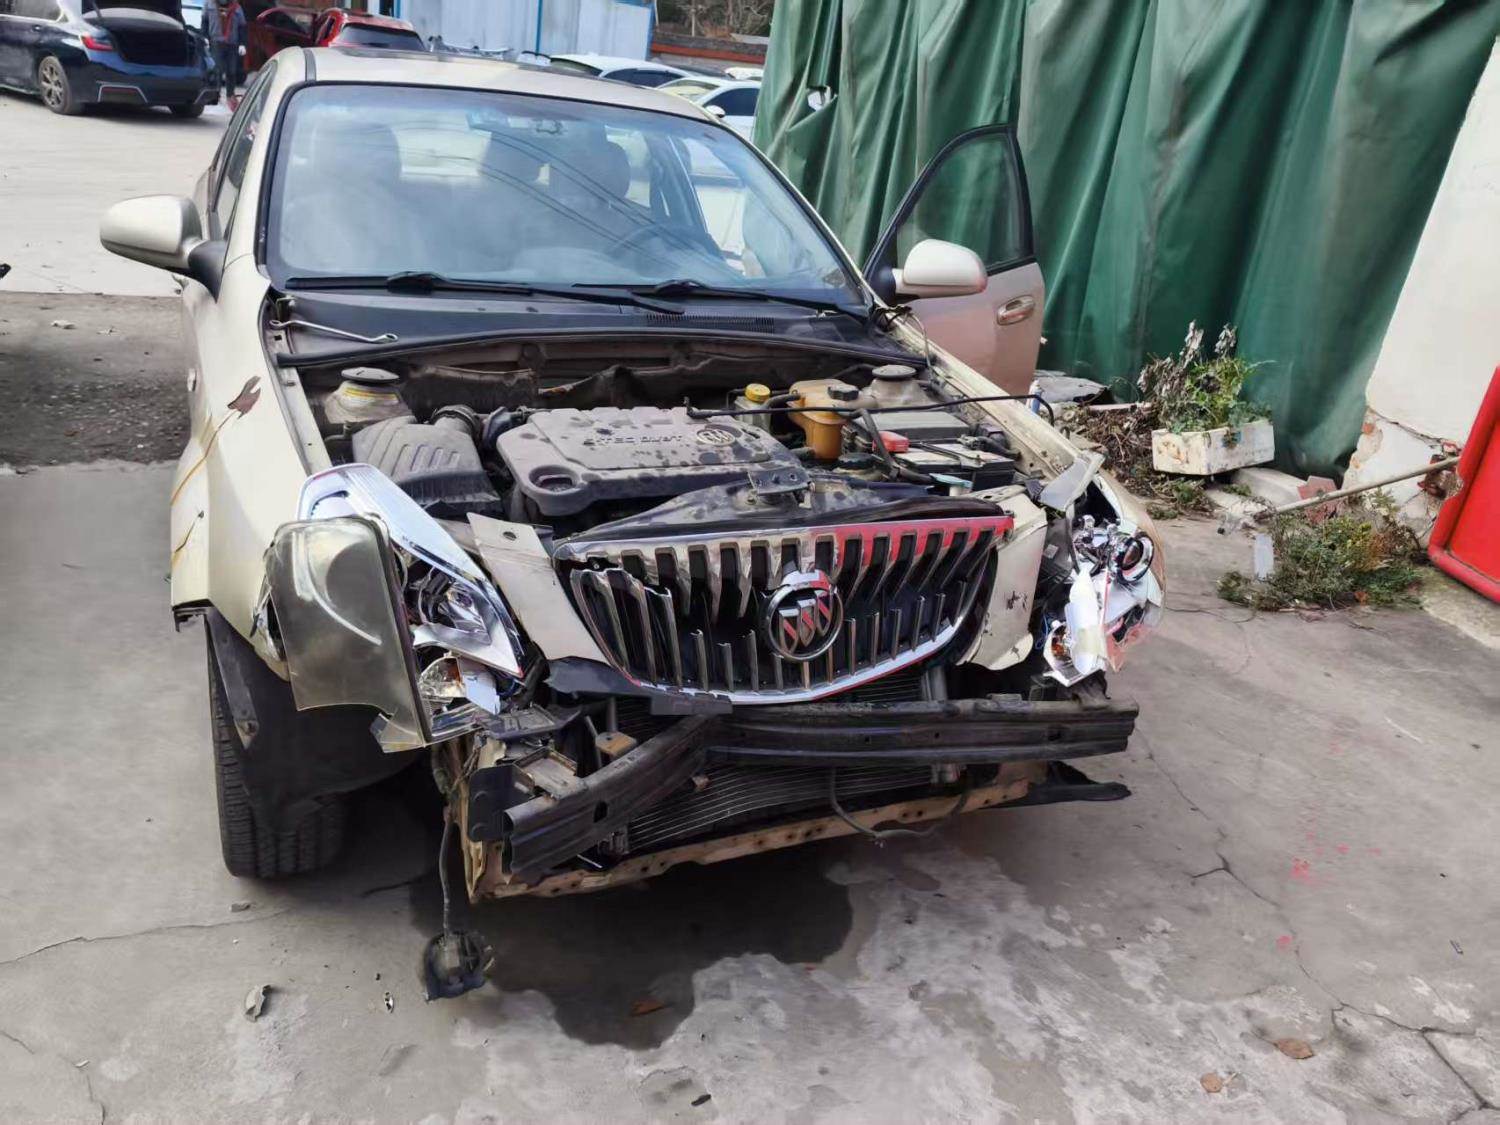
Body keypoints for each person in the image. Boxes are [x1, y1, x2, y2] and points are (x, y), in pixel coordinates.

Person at [202, 0, 246, 110]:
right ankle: (215, 94)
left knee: (231, 71)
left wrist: (242, 44)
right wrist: (205, 37)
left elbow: (242, 26)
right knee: (217, 69)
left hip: (232, 43)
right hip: (216, 42)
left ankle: (230, 95)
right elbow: (205, 22)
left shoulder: (236, 7)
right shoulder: (209, 4)